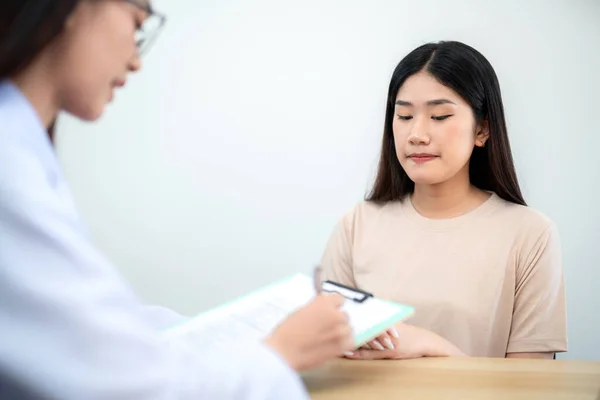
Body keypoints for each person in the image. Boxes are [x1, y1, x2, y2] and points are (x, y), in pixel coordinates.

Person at [0, 1, 354, 399]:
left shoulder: (21, 152)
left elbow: (79, 327)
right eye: (137, 23)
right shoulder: (10, 167)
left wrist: (212, 331)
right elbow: (130, 386)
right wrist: (279, 352)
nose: (136, 61)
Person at [320, 40, 567, 360]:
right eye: (405, 116)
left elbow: (530, 387)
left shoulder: (531, 234)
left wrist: (431, 346)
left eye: (439, 116)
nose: (417, 134)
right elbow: (326, 357)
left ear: (482, 130)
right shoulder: (357, 224)